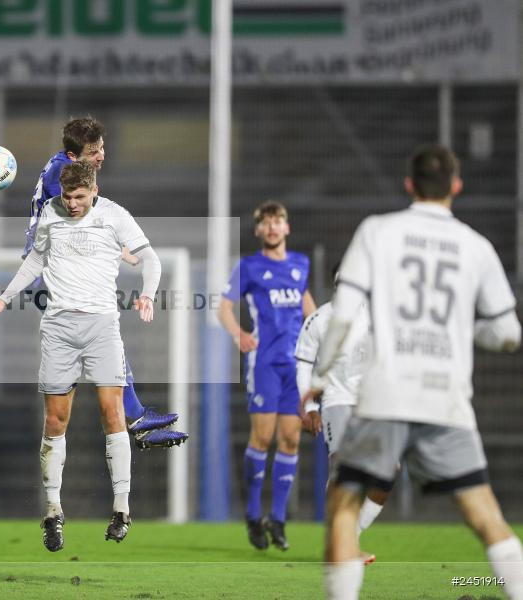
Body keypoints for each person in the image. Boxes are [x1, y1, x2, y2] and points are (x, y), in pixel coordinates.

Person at [303, 144, 523, 600]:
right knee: (486, 516)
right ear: (456, 187)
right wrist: (463, 329)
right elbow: (507, 334)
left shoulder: (377, 231)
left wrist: (319, 379)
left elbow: (343, 313)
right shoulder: (476, 246)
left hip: (384, 396)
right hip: (446, 399)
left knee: (343, 506)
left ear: (409, 185)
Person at [0, 161, 160, 552]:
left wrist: (147, 293)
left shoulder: (114, 216)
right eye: (66, 196)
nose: (72, 204)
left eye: (79, 197)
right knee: (56, 420)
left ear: (93, 191)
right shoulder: (50, 213)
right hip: (59, 329)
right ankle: (53, 511)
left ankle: (122, 509)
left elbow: (151, 259)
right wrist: (2, 299)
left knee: (113, 413)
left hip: (102, 329)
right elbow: (36, 261)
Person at [23, 116, 187, 451]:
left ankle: (135, 416)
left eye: (102, 148)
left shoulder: (63, 167)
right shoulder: (61, 174)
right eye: (93, 151)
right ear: (73, 156)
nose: (101, 156)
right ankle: (134, 418)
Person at [218, 201, 316, 551]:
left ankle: (278, 519)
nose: (273, 228)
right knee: (262, 437)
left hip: (295, 366)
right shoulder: (249, 266)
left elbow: (308, 307)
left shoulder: (300, 264)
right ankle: (251, 514)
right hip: (264, 363)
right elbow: (224, 307)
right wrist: (238, 334)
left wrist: (320, 337)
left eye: (278, 222)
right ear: (259, 230)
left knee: (290, 439)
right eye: (266, 223)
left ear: (287, 228)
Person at [295, 262, 389, 565]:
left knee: (387, 475)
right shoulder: (319, 320)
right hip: (337, 400)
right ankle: (340, 543)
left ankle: (348, 538)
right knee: (343, 467)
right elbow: (303, 363)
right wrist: (309, 406)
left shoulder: (377, 318)